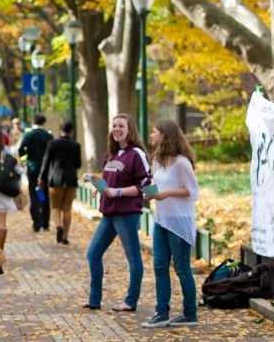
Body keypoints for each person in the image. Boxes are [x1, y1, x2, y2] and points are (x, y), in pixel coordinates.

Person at [82, 113, 151, 312]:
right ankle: (95, 300)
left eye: (121, 126)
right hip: (109, 213)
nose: (117, 129)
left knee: (133, 257)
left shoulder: (136, 154)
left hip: (127, 214)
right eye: (114, 126)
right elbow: (109, 184)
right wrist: (94, 180)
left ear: (130, 130)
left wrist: (118, 192)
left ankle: (131, 301)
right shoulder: (110, 155)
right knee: (93, 254)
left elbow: (145, 185)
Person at [142, 119, 200, 328]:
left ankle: (189, 313)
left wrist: (166, 193)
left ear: (166, 135)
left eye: (155, 132)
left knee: (182, 268)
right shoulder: (157, 160)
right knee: (159, 266)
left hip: (179, 220)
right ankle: (161, 312)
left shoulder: (182, 162)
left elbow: (193, 192)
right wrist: (151, 193)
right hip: (161, 220)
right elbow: (157, 185)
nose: (151, 135)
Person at [38, 121, 81, 244]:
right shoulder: (76, 145)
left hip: (55, 178)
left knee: (55, 207)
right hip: (71, 178)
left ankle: (58, 227)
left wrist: (41, 177)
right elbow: (78, 164)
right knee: (67, 208)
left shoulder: (52, 143)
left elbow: (46, 161)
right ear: (71, 130)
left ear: (60, 129)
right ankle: (65, 237)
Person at [18, 114, 53, 232]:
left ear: (33, 122)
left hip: (32, 169)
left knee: (34, 195)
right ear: (44, 122)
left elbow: (21, 150)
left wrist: (25, 159)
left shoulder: (28, 135)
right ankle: (45, 223)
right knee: (44, 195)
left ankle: (36, 223)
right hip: (46, 170)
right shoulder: (49, 136)